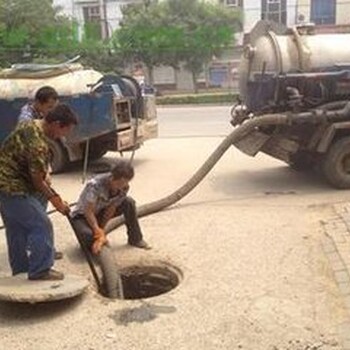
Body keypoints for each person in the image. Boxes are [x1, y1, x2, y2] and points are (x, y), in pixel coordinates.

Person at [0, 103, 78, 280]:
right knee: (41, 224)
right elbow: (37, 181)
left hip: (4, 183)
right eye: (65, 131)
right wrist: (56, 200)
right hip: (12, 187)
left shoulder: (30, 124)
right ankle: (40, 270)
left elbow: (37, 173)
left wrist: (49, 187)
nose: (63, 136)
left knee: (16, 230)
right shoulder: (38, 144)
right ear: (57, 124)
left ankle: (20, 271)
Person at [17, 85, 62, 259]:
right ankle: (40, 253)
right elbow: (31, 153)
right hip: (24, 172)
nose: (51, 112)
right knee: (38, 216)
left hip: (35, 167)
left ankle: (39, 246)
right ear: (38, 103)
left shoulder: (40, 116)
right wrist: (43, 176)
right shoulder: (26, 121)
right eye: (49, 107)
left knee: (39, 209)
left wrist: (46, 171)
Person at [71, 159, 151, 255]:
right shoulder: (95, 185)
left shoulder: (124, 187)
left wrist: (102, 229)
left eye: (125, 183)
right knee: (88, 236)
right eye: (119, 183)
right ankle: (90, 243)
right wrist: (97, 230)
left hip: (100, 212)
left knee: (129, 202)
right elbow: (88, 211)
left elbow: (111, 207)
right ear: (112, 178)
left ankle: (135, 239)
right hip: (82, 216)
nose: (122, 187)